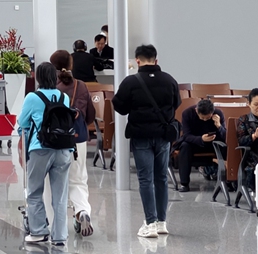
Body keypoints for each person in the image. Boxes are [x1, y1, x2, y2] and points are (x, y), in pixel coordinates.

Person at [111, 44, 180, 238]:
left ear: (137, 61)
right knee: (162, 178)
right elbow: (176, 105)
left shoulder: (131, 82)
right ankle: (161, 222)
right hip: (163, 136)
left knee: (145, 179)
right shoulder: (170, 80)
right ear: (156, 60)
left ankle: (149, 224)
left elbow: (120, 108)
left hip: (141, 136)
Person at [17, 63, 74, 247]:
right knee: (60, 194)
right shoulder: (63, 97)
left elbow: (23, 122)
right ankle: (60, 236)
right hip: (64, 149)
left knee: (34, 191)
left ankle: (39, 231)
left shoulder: (32, 97)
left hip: (40, 148)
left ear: (38, 77)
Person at [50, 50, 96, 237]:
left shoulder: (52, 87)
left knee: (56, 180)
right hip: (77, 138)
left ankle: (55, 221)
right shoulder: (81, 85)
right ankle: (82, 211)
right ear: (71, 65)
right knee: (78, 179)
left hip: (55, 140)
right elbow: (90, 114)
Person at [177, 98, 226, 192]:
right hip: (194, 142)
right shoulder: (187, 113)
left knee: (224, 145)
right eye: (202, 118)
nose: (204, 120)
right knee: (184, 146)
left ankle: (227, 181)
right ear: (196, 110)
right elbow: (186, 135)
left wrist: (219, 126)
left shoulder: (218, 113)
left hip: (213, 143)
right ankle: (184, 183)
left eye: (207, 118)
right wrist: (201, 139)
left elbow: (225, 137)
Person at [236, 88, 258, 193]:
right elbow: (240, 141)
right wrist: (253, 136)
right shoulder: (244, 120)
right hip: (251, 156)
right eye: (256, 104)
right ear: (248, 103)